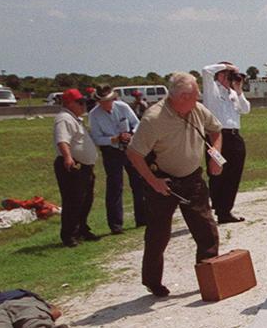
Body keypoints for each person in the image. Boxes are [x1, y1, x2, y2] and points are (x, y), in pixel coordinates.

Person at [126, 72, 222, 298]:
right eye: (195, 96)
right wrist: (154, 182)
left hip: (193, 178)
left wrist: (215, 156)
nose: (198, 100)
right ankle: (152, 281)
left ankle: (209, 279)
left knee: (207, 230)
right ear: (181, 97)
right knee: (158, 235)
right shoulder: (154, 119)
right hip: (164, 182)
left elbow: (215, 130)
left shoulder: (196, 110)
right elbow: (134, 154)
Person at [88, 84, 145, 232]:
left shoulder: (122, 107)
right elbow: (96, 138)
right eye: (103, 101)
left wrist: (131, 133)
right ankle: (115, 225)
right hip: (111, 151)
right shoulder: (94, 115)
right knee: (115, 186)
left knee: (138, 182)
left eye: (109, 100)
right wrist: (113, 139)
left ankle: (142, 218)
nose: (106, 103)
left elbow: (137, 123)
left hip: (130, 147)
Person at [201, 61, 251, 224]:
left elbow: (245, 109)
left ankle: (225, 210)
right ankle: (214, 208)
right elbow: (206, 70)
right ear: (222, 75)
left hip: (234, 136)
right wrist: (225, 67)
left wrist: (239, 90)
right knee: (217, 173)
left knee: (233, 175)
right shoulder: (213, 90)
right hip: (216, 137)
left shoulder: (233, 93)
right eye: (229, 75)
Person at [52, 88, 99, 247]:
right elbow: (62, 140)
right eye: (80, 102)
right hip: (73, 166)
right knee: (73, 201)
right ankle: (69, 235)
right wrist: (67, 157)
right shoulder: (64, 118)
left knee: (85, 200)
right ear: (69, 103)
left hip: (84, 167)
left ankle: (81, 229)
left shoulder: (75, 119)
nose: (83, 106)